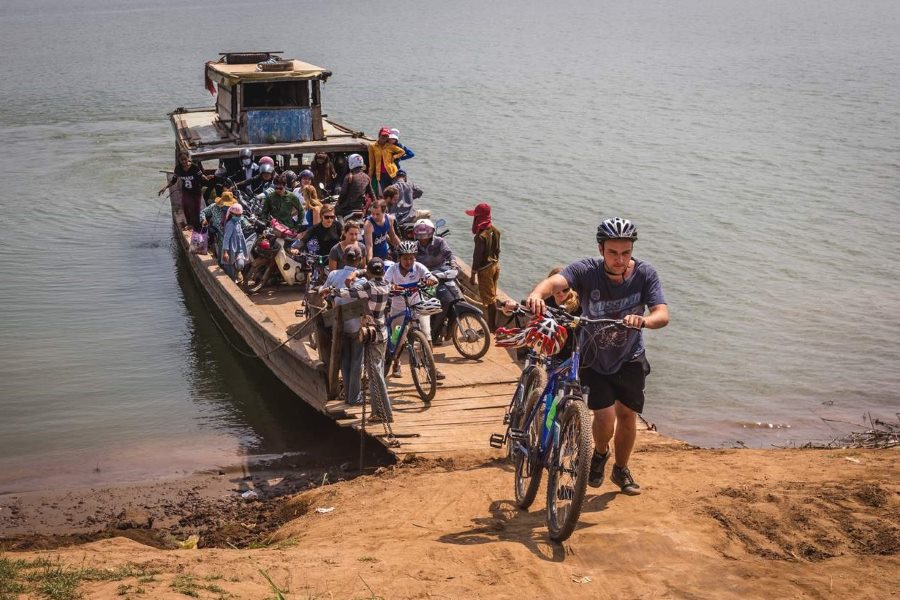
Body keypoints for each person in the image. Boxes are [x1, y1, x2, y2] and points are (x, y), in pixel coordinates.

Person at [525, 217, 669, 496]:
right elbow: (555, 281)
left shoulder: (645, 274)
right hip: (593, 356)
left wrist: (645, 321)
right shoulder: (586, 270)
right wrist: (536, 295)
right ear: (601, 249)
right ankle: (600, 454)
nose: (620, 259)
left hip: (630, 356)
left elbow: (662, 314)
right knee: (605, 418)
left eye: (626, 253)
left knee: (627, 415)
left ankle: (621, 469)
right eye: (613, 252)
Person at [329, 257, 394, 422]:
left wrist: (330, 290)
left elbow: (346, 291)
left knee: (376, 375)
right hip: (383, 333)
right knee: (375, 373)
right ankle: (376, 412)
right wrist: (359, 272)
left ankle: (385, 413)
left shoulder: (368, 287)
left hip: (371, 335)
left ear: (370, 272)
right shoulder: (386, 284)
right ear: (383, 272)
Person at [384, 241, 439, 378]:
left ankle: (432, 368)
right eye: (405, 258)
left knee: (427, 334)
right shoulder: (393, 270)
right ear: (399, 258)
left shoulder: (418, 267)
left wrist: (431, 280)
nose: (408, 261)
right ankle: (396, 363)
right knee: (397, 340)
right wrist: (391, 287)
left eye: (411, 258)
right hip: (398, 310)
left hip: (418, 306)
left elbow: (430, 276)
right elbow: (384, 283)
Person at [324, 246, 366, 405]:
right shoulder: (362, 280)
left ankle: (348, 394)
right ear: (360, 259)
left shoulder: (334, 275)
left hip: (339, 327)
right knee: (357, 362)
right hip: (357, 327)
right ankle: (354, 397)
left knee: (345, 361)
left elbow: (323, 292)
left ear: (343, 258)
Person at [466, 203, 501, 332]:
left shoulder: (481, 237)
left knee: (489, 300)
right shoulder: (495, 231)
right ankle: (491, 324)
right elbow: (498, 250)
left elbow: (477, 257)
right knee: (492, 296)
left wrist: (473, 274)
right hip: (495, 265)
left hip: (485, 269)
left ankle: (491, 327)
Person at [159, 152, 210, 230]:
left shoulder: (194, 167)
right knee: (185, 206)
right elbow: (174, 180)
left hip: (196, 191)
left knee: (196, 209)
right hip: (186, 191)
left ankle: (197, 226)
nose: (183, 162)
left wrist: (205, 177)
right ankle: (189, 224)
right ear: (179, 160)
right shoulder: (178, 168)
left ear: (188, 158)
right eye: (181, 160)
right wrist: (165, 187)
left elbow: (201, 176)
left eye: (185, 159)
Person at [368, 127, 405, 196]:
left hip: (392, 173)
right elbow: (372, 163)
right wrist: (369, 176)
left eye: (386, 136)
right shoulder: (372, 146)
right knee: (385, 193)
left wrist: (394, 157)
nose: (384, 137)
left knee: (395, 192)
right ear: (379, 135)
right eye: (383, 135)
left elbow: (402, 151)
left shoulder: (389, 146)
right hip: (381, 174)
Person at [336, 153, 374, 219]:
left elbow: (343, 193)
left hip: (348, 208)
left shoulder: (349, 177)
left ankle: (342, 228)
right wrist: (376, 204)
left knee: (335, 212)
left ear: (350, 163)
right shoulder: (367, 177)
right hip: (360, 208)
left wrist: (338, 203)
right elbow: (371, 194)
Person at [199, 190, 237, 257]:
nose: (227, 207)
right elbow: (202, 212)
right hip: (217, 233)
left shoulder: (235, 209)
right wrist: (203, 219)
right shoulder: (214, 207)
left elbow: (241, 219)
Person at [221, 203, 249, 282]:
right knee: (230, 268)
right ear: (232, 214)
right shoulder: (230, 224)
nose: (239, 217)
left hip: (239, 248)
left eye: (240, 215)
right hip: (231, 249)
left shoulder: (238, 222)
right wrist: (225, 252)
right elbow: (226, 238)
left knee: (240, 264)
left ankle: (238, 272)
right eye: (237, 215)